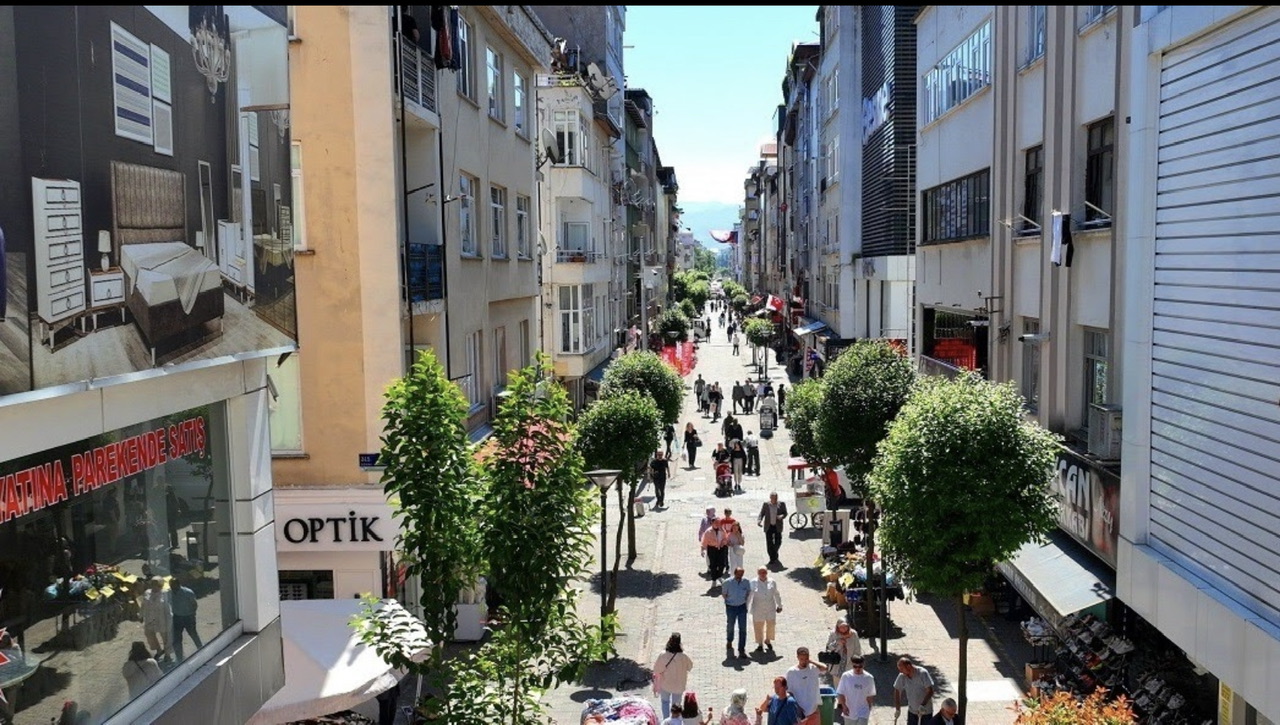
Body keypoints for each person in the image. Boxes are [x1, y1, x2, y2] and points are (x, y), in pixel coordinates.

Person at [652, 632, 694, 719]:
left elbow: (657, 669)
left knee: (665, 702)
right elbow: (690, 667)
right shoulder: (684, 656)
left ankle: (666, 720)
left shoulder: (663, 655)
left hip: (665, 684)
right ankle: (675, 721)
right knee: (676, 705)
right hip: (679, 685)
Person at [785, 647, 827, 718]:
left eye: (806, 659)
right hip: (799, 710)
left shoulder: (813, 668)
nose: (804, 661)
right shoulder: (791, 672)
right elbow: (788, 691)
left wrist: (812, 661)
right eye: (801, 659)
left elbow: (825, 668)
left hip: (813, 709)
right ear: (797, 657)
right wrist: (796, 706)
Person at [893, 656, 935, 725]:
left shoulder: (922, 673)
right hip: (912, 711)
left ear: (909, 666)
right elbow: (897, 690)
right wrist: (898, 708)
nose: (900, 672)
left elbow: (930, 691)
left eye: (902, 669)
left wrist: (922, 705)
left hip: (925, 712)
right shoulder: (902, 676)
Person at [749, 567, 782, 653]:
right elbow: (749, 595)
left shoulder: (772, 581)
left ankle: (768, 640)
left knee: (771, 624)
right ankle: (760, 643)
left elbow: (776, 594)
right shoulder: (753, 582)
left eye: (764, 572)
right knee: (758, 626)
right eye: (761, 572)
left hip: (770, 607)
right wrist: (746, 607)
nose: (763, 574)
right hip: (758, 608)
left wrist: (779, 605)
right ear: (758, 573)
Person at [836, 655, 876, 725]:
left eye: (860, 666)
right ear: (852, 665)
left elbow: (870, 695)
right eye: (855, 666)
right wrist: (844, 706)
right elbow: (840, 693)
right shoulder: (846, 676)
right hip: (849, 711)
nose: (857, 669)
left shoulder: (869, 678)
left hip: (863, 711)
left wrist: (868, 708)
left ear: (863, 665)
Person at [169, 576, 202, 661]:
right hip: (177, 617)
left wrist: (192, 614)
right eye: (171, 586)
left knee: (193, 634)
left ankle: (201, 649)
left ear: (178, 585)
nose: (172, 588)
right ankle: (179, 657)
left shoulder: (187, 592)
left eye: (174, 586)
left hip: (188, 617)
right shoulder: (170, 593)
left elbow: (194, 604)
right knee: (177, 638)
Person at [722, 566, 751, 658]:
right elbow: (724, 594)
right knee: (730, 625)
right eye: (738, 574)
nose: (740, 576)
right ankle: (729, 640)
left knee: (743, 628)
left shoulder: (746, 582)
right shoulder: (727, 582)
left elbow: (748, 592)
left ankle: (741, 649)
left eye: (742, 574)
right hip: (731, 607)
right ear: (734, 573)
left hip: (742, 607)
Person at [141, 576, 173, 661]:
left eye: (156, 584)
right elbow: (143, 605)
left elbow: (168, 608)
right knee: (149, 634)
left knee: (166, 637)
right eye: (152, 584)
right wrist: (141, 615)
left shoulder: (165, 593)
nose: (154, 586)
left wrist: (170, 621)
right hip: (150, 619)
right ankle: (158, 650)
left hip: (162, 619)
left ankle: (167, 654)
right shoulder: (147, 593)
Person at [757, 493, 788, 565]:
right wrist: (759, 520)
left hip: (777, 526)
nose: (775, 499)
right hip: (769, 526)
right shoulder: (766, 504)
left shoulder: (782, 504)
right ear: (770, 498)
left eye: (776, 498)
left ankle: (774, 553)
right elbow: (762, 513)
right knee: (769, 543)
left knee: (778, 542)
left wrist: (781, 516)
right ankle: (772, 558)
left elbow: (785, 513)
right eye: (773, 498)